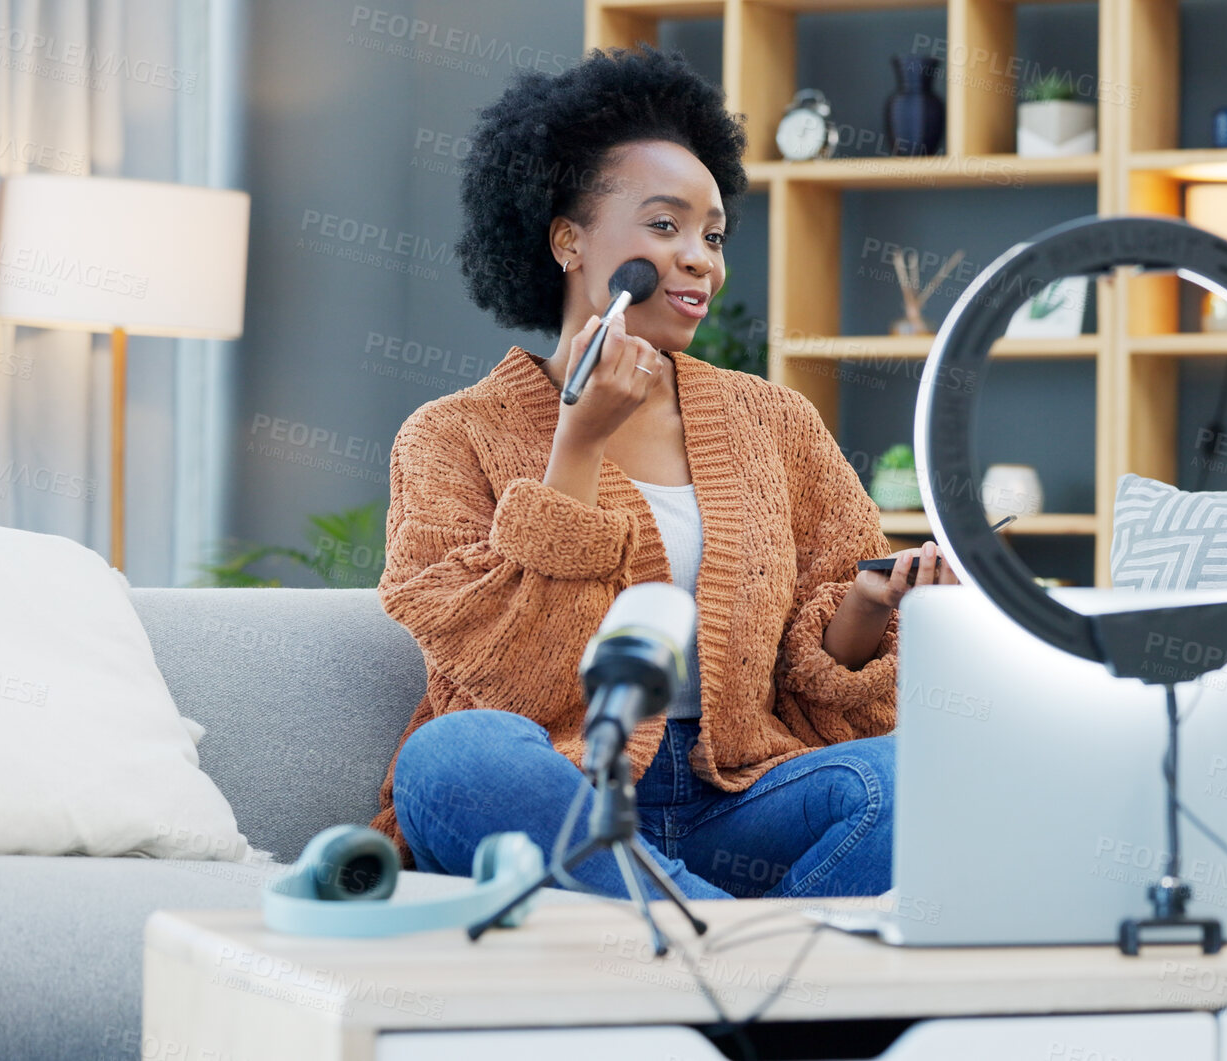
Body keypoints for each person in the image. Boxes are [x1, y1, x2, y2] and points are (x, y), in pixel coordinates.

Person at [367, 45, 957, 901]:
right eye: (665, 226)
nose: (700, 260)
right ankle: (744, 966)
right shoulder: (450, 436)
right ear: (568, 239)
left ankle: (681, 945)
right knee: (450, 759)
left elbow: (821, 678)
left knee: (915, 775)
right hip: (557, 789)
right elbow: (519, 677)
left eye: (712, 236)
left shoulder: (775, 422)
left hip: (737, 799)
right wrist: (575, 444)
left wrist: (865, 607)